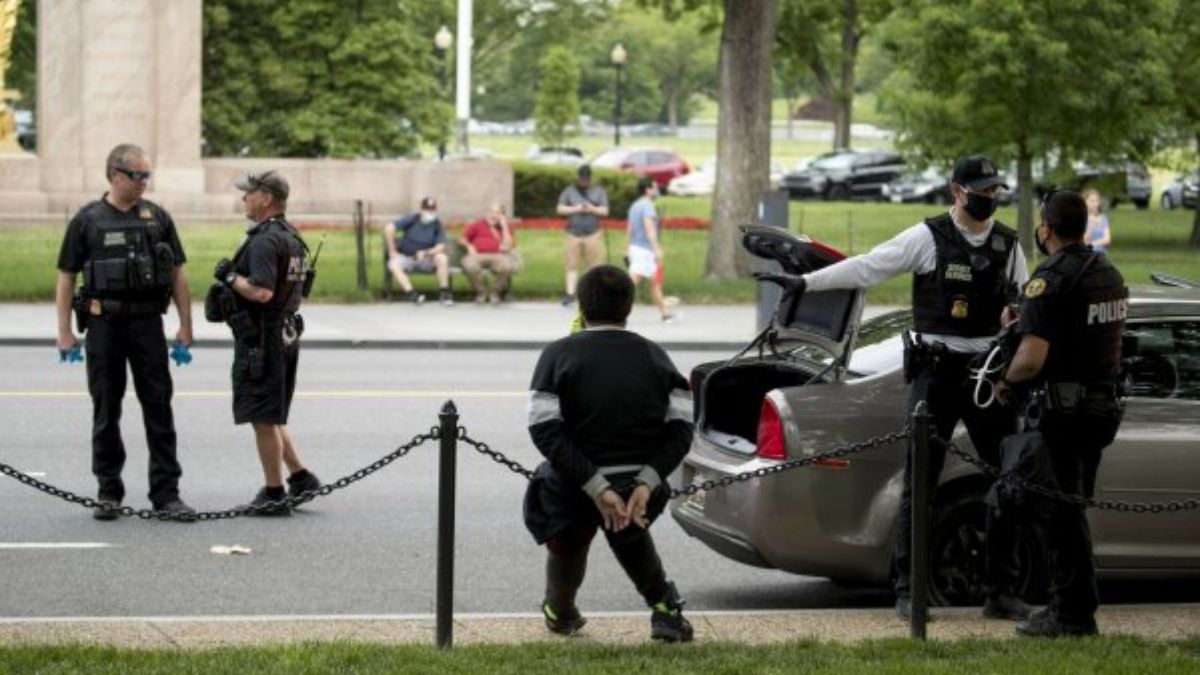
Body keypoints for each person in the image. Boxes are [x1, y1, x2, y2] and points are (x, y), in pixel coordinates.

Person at [758, 155, 1031, 621]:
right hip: (937, 373)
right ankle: (908, 590)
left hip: (987, 376)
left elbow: (1023, 305)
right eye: (981, 190)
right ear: (956, 192)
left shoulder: (1009, 245)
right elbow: (867, 268)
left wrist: (1014, 346)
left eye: (994, 190)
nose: (990, 198)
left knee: (1007, 481)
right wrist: (804, 282)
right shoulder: (926, 238)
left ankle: (1001, 589)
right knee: (920, 482)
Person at [524, 264, 695, 642]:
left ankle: (560, 610)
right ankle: (665, 611)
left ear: (581, 308)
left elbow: (544, 429)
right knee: (629, 525)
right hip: (637, 483)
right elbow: (682, 429)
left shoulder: (557, 355)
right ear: (629, 308)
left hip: (572, 485)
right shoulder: (655, 356)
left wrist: (595, 486)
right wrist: (645, 483)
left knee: (568, 536)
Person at [994, 190, 1127, 637]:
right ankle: (1076, 608)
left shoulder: (1048, 280)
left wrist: (1006, 382)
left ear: (1045, 229)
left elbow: (1031, 359)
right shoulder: (1106, 272)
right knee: (1072, 510)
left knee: (1058, 515)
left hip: (1063, 414)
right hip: (1100, 408)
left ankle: (1069, 616)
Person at [54, 143, 196, 521]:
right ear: (116, 176)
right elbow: (67, 276)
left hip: (148, 324)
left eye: (147, 175)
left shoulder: (157, 218)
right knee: (106, 409)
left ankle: (166, 495)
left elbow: (179, 273)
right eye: (138, 175)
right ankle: (108, 492)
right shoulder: (88, 220)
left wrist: (186, 323)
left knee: (158, 408)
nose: (145, 182)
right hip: (104, 326)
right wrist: (64, 330)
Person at [211, 170, 321, 516]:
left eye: (249, 192)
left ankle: (274, 492)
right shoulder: (292, 237)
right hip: (284, 333)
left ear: (266, 198)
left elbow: (261, 290)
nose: (244, 198)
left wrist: (230, 276)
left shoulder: (264, 240)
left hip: (261, 338)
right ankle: (301, 478)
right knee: (271, 413)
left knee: (262, 415)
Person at [385, 197, 453, 306]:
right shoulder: (412, 219)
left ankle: (444, 293)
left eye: (432, 209)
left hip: (426, 258)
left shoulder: (437, 224)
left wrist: (427, 252)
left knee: (442, 258)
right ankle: (412, 294)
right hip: (407, 256)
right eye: (427, 209)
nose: (429, 212)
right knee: (393, 264)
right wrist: (392, 250)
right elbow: (389, 228)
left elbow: (441, 246)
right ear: (421, 209)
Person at [556, 165, 608, 306]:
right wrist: (576, 208)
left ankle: (594, 293)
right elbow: (560, 208)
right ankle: (570, 293)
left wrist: (592, 209)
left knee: (595, 265)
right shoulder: (569, 191)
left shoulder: (599, 192)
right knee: (571, 264)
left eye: (586, 178)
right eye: (582, 178)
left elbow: (605, 210)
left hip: (593, 233)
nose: (584, 181)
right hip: (573, 233)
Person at [626, 177, 673, 322]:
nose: (657, 190)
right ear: (648, 190)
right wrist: (657, 249)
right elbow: (650, 229)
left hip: (636, 247)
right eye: (654, 187)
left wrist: (627, 247)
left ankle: (665, 314)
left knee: (655, 282)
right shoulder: (647, 206)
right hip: (644, 250)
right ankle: (610, 310)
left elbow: (629, 228)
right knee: (631, 283)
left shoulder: (635, 206)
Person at [459, 202, 516, 303]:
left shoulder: (505, 227)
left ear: (502, 216)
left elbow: (509, 245)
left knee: (507, 266)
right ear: (487, 213)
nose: (493, 215)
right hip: (477, 255)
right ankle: (481, 292)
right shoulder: (477, 224)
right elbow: (462, 239)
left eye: (497, 212)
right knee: (469, 265)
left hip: (498, 255)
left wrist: (504, 226)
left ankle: (494, 293)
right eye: (491, 212)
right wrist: (469, 246)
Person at [1083, 189, 1112, 253]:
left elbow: (1107, 240)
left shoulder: (1103, 218)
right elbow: (1083, 241)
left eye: (1096, 201)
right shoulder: (1081, 219)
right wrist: (1091, 227)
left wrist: (1092, 245)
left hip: (1100, 254)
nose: (1095, 204)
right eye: (1091, 201)